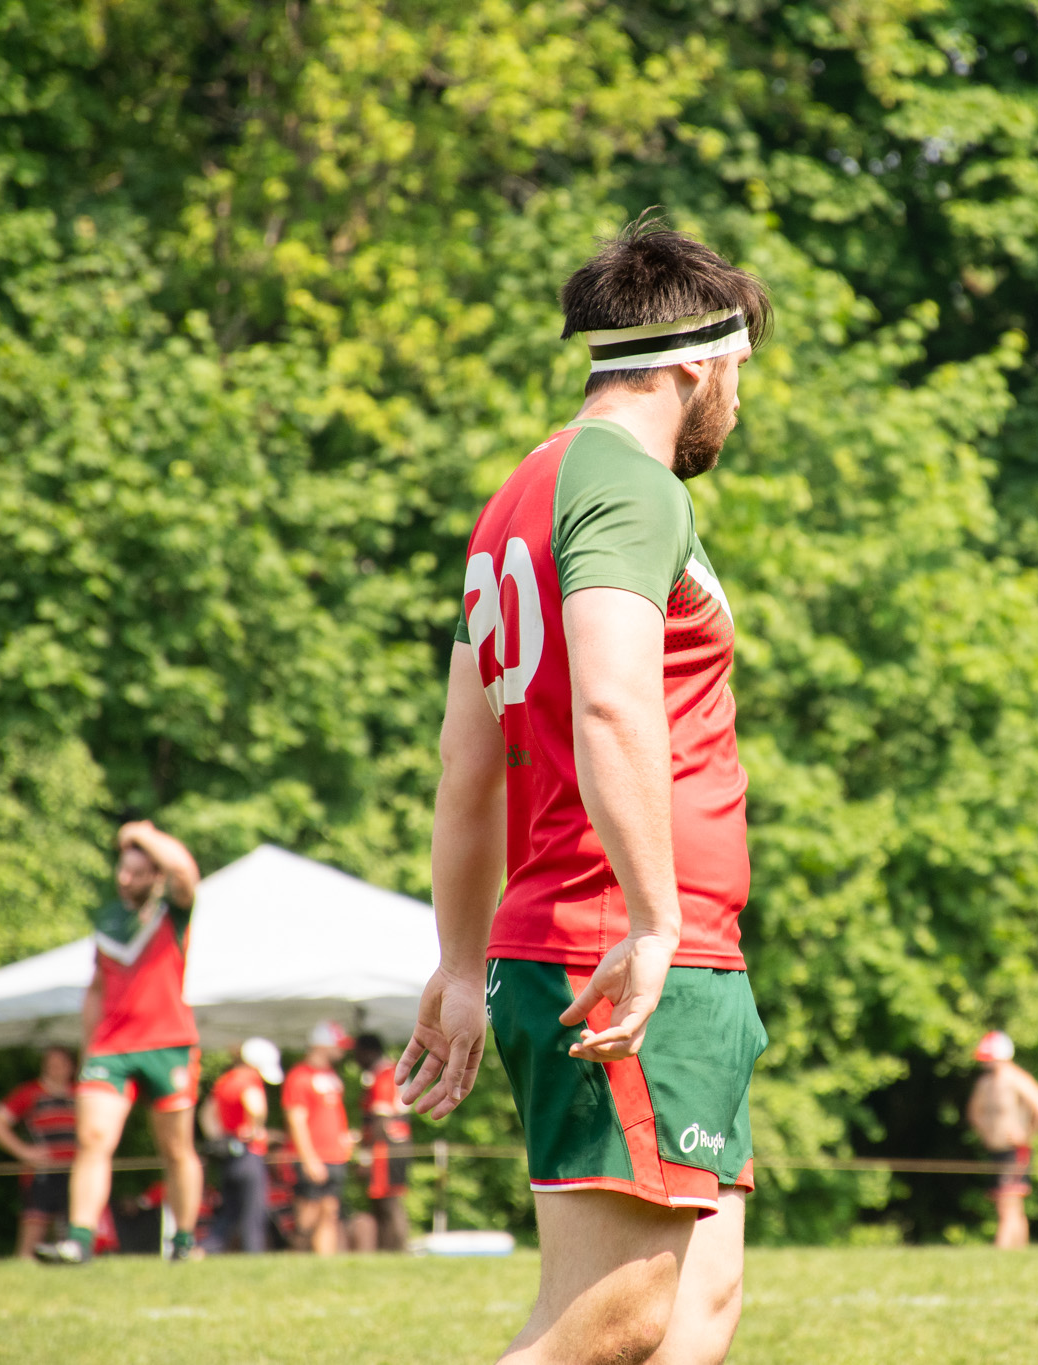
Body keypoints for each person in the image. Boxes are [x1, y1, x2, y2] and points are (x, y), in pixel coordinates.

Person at [397, 219, 771, 1365]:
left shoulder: (520, 494)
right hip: (619, 946)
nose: (738, 407)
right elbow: (611, 703)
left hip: (619, 947)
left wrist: (463, 967)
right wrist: (656, 923)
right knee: (607, 1323)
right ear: (697, 364)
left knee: (697, 1312)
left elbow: (468, 771)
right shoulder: (632, 487)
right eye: (741, 379)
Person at [37, 820, 203, 1265]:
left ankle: (184, 1242)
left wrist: (141, 835)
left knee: (175, 1149)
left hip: (169, 1042)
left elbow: (185, 871)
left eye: (136, 871)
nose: (124, 878)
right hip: (111, 1046)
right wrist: (87, 1046)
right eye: (122, 869)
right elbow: (96, 987)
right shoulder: (108, 919)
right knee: (92, 1139)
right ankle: (79, 1240)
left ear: (155, 875)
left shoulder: (174, 910)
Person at [0, 1046, 80, 1258]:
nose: (56, 1069)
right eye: (51, 1064)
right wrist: (23, 1152)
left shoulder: (81, 1093)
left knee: (73, 1233)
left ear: (71, 1066)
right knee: (34, 1231)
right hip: (41, 1173)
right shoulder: (29, 1092)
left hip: (77, 1172)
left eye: (62, 1064)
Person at [965, 1031, 1038, 1250]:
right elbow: (973, 1113)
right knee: (1009, 1207)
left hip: (1015, 1151)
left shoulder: (1017, 1079)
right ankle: (1018, 1255)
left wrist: (1027, 1135)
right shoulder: (985, 1084)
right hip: (995, 1150)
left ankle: (1001, 1255)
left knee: (1008, 1207)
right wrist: (985, 1133)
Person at [199, 1036, 282, 1254]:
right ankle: (253, 1254)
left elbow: (206, 1114)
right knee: (253, 1213)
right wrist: (255, 1128)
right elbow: (255, 1107)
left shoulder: (224, 1081)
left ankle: (204, 1250)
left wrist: (219, 1138)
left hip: (228, 1153)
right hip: (248, 1153)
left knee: (230, 1211)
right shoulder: (249, 1082)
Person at [283, 1020, 352, 1256]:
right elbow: (296, 1120)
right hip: (313, 1156)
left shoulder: (331, 1076)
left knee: (330, 1212)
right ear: (322, 1045)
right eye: (338, 1045)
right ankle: (297, 1257)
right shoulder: (299, 1076)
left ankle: (325, 1262)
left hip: (335, 1155)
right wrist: (309, 1158)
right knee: (307, 1213)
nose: (342, 1050)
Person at [353, 1032, 413, 1252]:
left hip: (387, 1145)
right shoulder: (391, 1071)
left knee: (389, 1201)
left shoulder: (385, 1074)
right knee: (385, 1201)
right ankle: (388, 1250)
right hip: (395, 1143)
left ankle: (398, 1249)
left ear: (368, 1052)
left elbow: (381, 1119)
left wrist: (366, 1157)